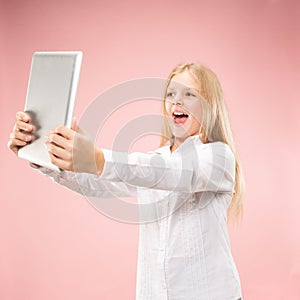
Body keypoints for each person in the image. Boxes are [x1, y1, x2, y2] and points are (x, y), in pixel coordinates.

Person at [8, 63, 244, 300]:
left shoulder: (218, 156)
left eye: (189, 94)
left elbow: (169, 172)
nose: (176, 101)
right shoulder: (156, 158)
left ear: (210, 105)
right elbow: (99, 182)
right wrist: (39, 152)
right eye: (170, 94)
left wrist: (97, 158)